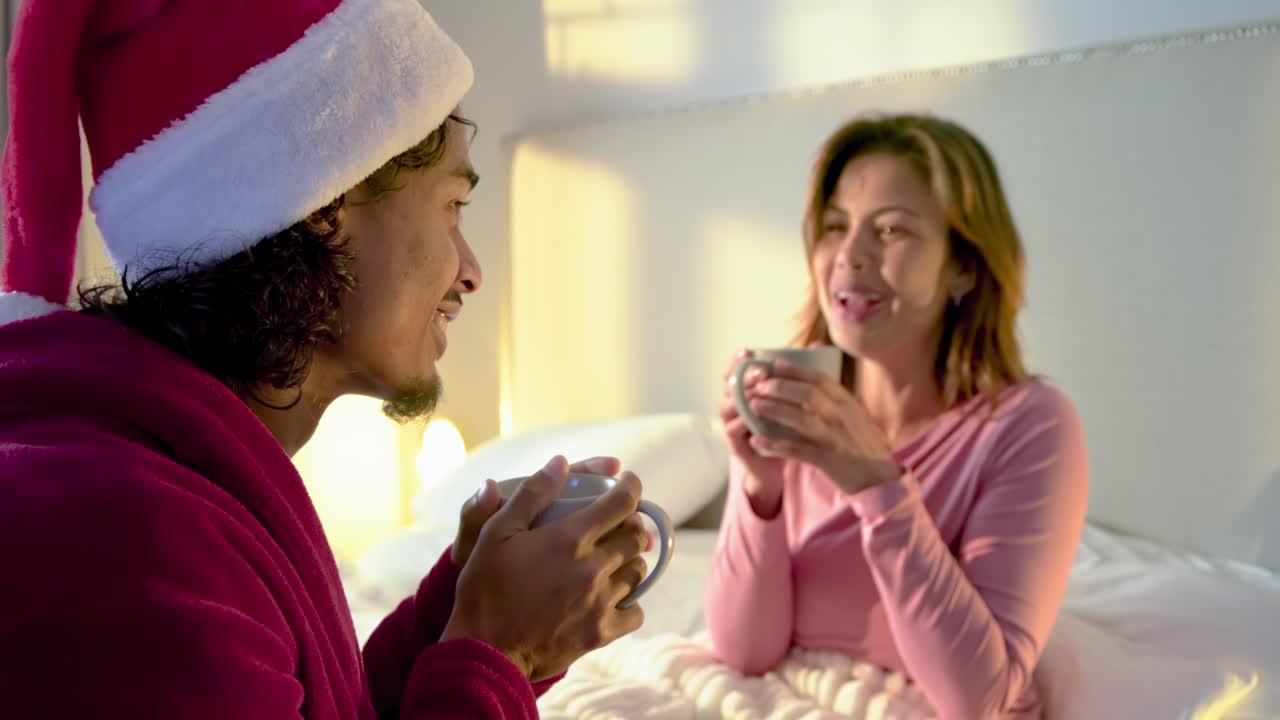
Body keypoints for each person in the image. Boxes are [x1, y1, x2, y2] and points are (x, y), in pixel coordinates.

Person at [0, 1, 648, 717]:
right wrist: (500, 654)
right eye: (452, 208)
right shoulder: (127, 541)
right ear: (326, 201)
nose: (471, 271)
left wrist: (450, 615)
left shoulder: (174, 490)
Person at [705, 114, 1089, 719]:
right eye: (835, 227)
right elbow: (744, 652)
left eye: (890, 230)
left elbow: (981, 698)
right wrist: (759, 488)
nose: (849, 256)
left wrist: (875, 484)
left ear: (963, 267)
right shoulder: (805, 404)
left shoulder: (1029, 426)